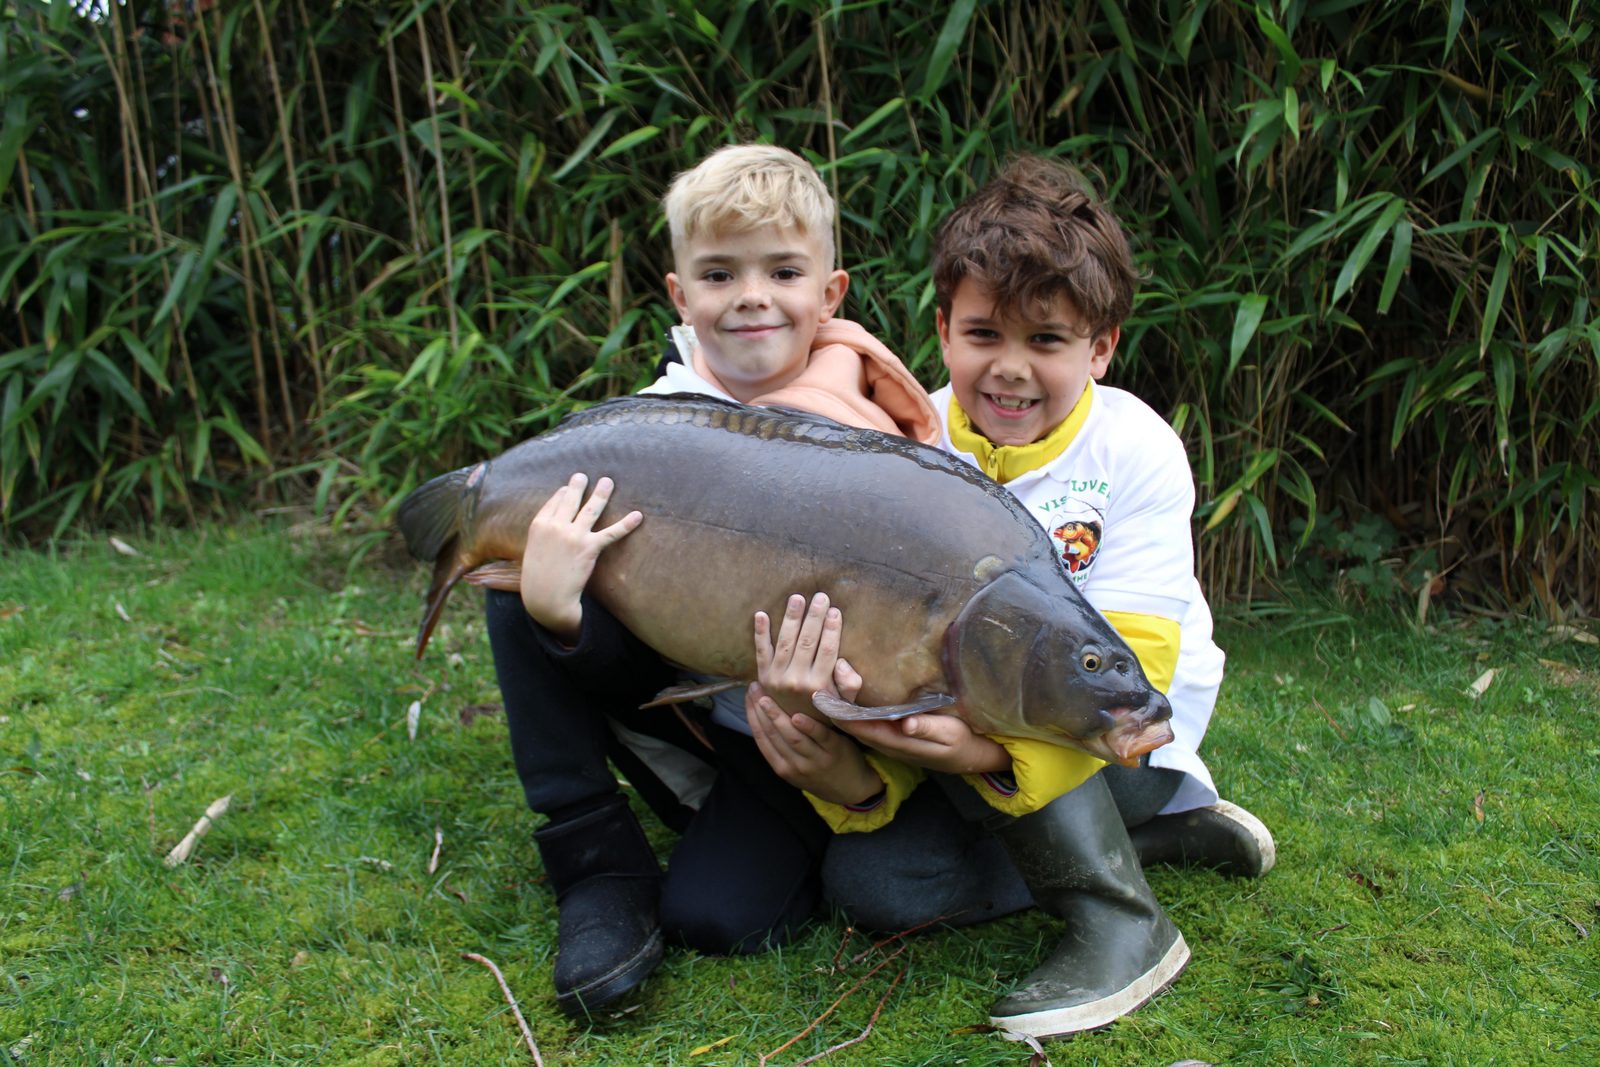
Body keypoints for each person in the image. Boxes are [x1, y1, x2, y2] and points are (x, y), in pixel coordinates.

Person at [743, 156, 1275, 1040]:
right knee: (875, 889)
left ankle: (1125, 920)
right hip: (947, 733)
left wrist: (982, 754)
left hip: (1118, 743)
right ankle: (1163, 844)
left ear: (1101, 347)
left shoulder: (1135, 449)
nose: (1011, 370)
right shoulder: (910, 439)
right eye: (984, 334)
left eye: (1049, 340)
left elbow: (1131, 674)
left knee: (1063, 689)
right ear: (944, 328)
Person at [483, 143, 941, 1018]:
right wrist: (558, 612)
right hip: (681, 701)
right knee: (533, 565)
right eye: (720, 274)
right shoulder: (645, 429)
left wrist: (828, 731)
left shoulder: (875, 434)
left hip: (806, 738)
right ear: (681, 296)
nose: (753, 296)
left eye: (782, 270)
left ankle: (784, 836)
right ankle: (596, 863)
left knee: (716, 915)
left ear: (831, 293)